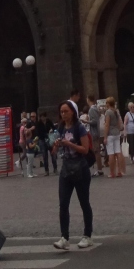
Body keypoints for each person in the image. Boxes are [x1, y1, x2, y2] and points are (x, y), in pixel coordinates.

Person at [52, 100, 94, 250]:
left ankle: (87, 235)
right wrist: (56, 145)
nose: (63, 114)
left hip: (80, 168)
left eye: (66, 111)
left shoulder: (79, 127)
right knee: (63, 203)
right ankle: (64, 237)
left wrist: (69, 144)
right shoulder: (61, 127)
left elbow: (85, 149)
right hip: (66, 169)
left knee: (84, 203)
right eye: (61, 112)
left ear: (73, 112)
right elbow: (54, 151)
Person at [102, 97, 124, 178]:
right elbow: (119, 123)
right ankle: (119, 171)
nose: (105, 104)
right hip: (117, 133)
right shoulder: (116, 111)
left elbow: (107, 125)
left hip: (110, 134)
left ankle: (112, 172)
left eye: (106, 102)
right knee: (118, 152)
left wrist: (105, 137)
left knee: (111, 153)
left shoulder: (108, 112)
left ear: (108, 103)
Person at [87, 97, 104, 175]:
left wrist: (86, 121)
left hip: (94, 132)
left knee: (96, 151)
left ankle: (99, 169)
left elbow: (94, 122)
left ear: (88, 100)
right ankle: (99, 168)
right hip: (97, 132)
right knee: (97, 151)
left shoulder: (91, 109)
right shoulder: (96, 108)